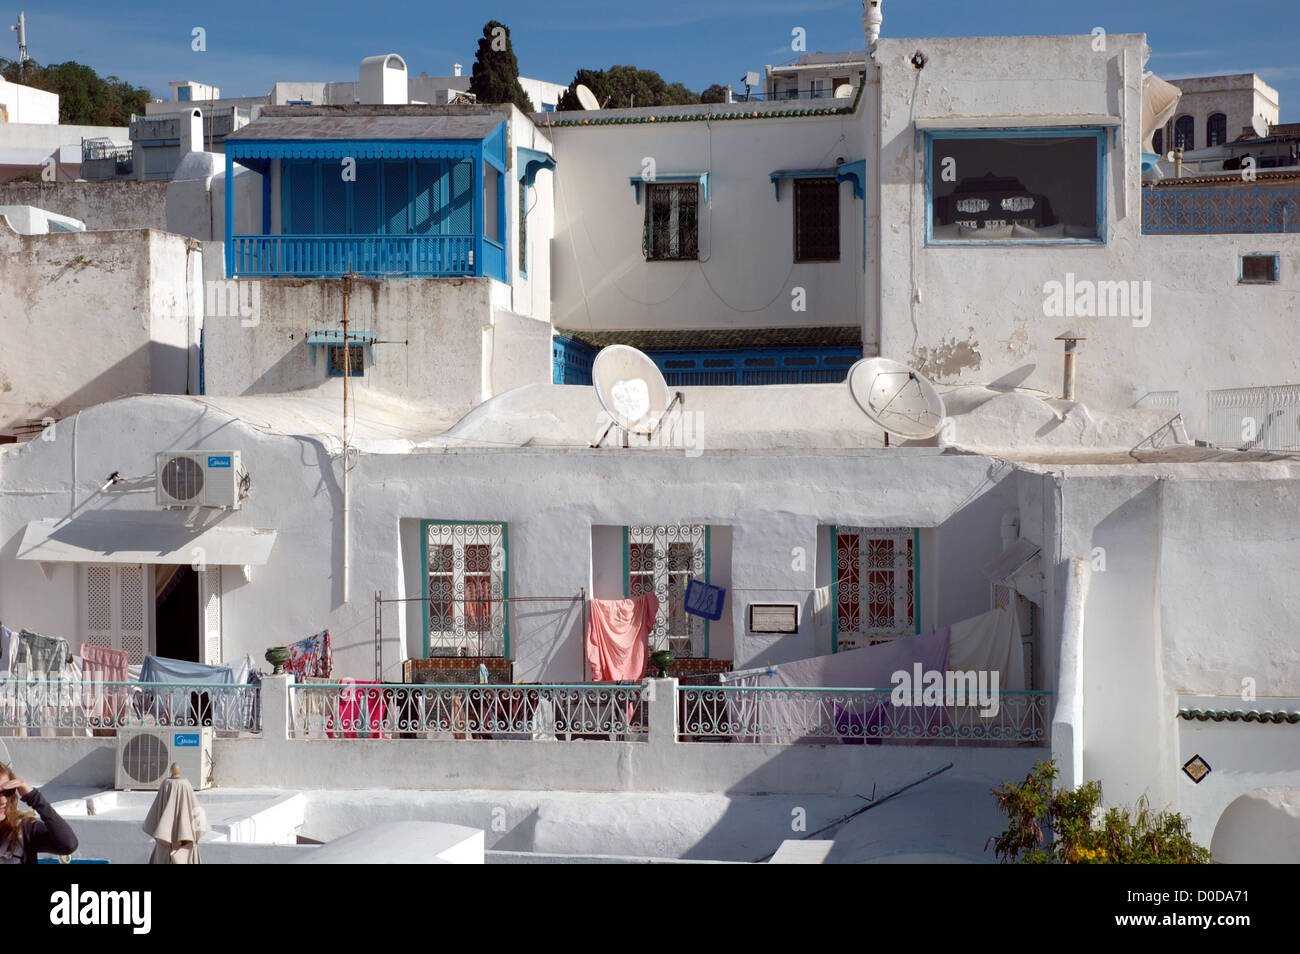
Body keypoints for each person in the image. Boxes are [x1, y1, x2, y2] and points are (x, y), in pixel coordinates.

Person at [0, 762, 78, 864]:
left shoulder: (23, 830)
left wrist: (34, 798)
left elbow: (67, 845)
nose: (3, 801)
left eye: (7, 792)